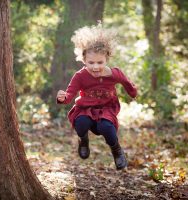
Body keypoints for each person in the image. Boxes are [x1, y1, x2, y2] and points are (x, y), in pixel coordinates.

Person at [56, 24, 137, 170]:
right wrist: (63, 98)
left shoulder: (114, 73)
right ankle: (83, 140)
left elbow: (126, 82)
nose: (95, 67)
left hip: (107, 108)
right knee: (80, 122)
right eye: (91, 62)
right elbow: (70, 92)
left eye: (100, 62)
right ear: (84, 60)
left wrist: (132, 92)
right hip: (85, 108)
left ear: (107, 59)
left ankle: (117, 150)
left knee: (106, 127)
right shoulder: (80, 76)